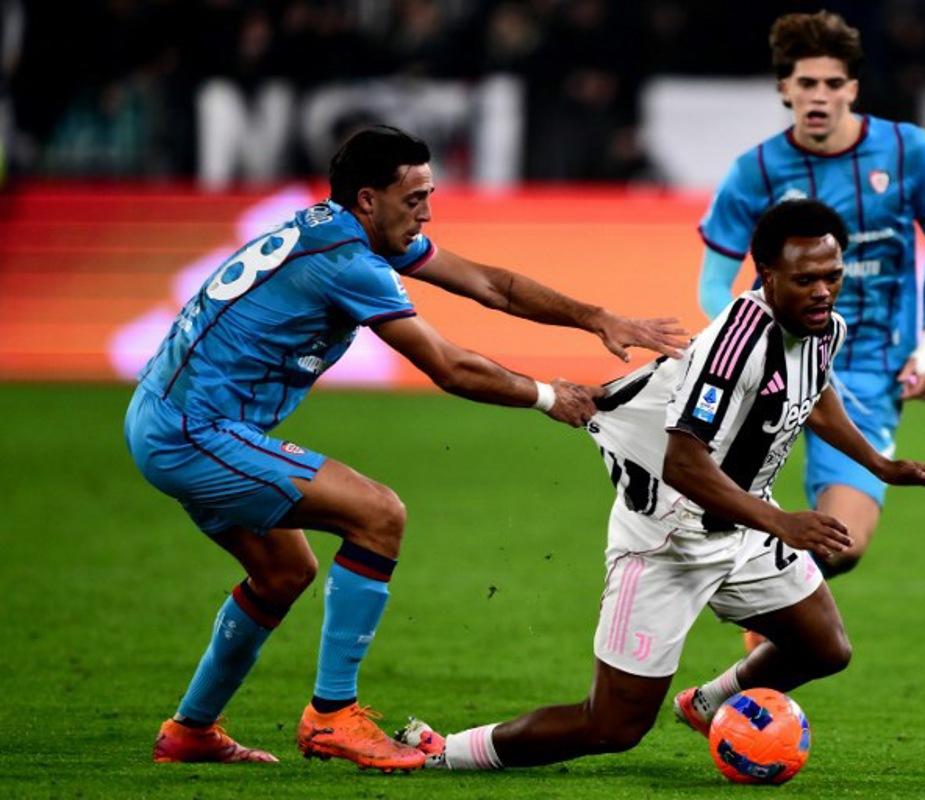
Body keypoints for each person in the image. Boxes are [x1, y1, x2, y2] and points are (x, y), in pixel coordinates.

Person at [124, 126, 687, 771]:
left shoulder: (336, 230)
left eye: (430, 195)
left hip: (170, 416)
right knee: (378, 514)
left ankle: (191, 730)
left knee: (285, 573)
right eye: (414, 197)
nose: (426, 212)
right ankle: (333, 715)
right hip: (195, 430)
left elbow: (491, 285)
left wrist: (598, 318)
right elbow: (447, 366)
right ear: (369, 199)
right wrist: (546, 396)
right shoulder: (349, 263)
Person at [401, 199, 925, 772]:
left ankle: (708, 705)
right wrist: (783, 522)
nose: (823, 291)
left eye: (833, 276)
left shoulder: (822, 326)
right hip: (669, 535)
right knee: (611, 726)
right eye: (806, 279)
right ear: (767, 276)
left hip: (742, 523)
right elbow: (684, 465)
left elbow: (814, 393)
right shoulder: (733, 347)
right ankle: (445, 753)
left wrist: (881, 465)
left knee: (824, 648)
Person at [696, 12, 925, 621]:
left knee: (841, 544)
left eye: (831, 83)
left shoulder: (904, 149)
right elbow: (713, 285)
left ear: (853, 89)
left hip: (866, 367)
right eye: (805, 83)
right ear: (784, 89)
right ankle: (731, 639)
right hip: (773, 364)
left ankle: (760, 634)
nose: (819, 96)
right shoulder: (755, 172)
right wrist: (764, 342)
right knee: (703, 520)